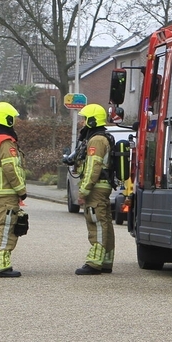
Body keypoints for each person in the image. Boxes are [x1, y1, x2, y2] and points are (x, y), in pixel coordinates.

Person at [0, 102, 27, 278]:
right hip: (6, 192)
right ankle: (1, 265)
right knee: (7, 227)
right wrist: (21, 189)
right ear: (7, 119)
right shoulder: (5, 142)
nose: (14, 121)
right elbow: (11, 168)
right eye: (13, 118)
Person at [75, 103, 115, 275]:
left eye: (84, 119)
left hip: (96, 188)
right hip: (103, 186)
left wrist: (84, 191)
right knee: (105, 223)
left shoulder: (97, 140)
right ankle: (106, 260)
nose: (82, 123)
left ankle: (94, 262)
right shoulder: (103, 137)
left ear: (92, 121)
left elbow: (93, 167)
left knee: (96, 222)